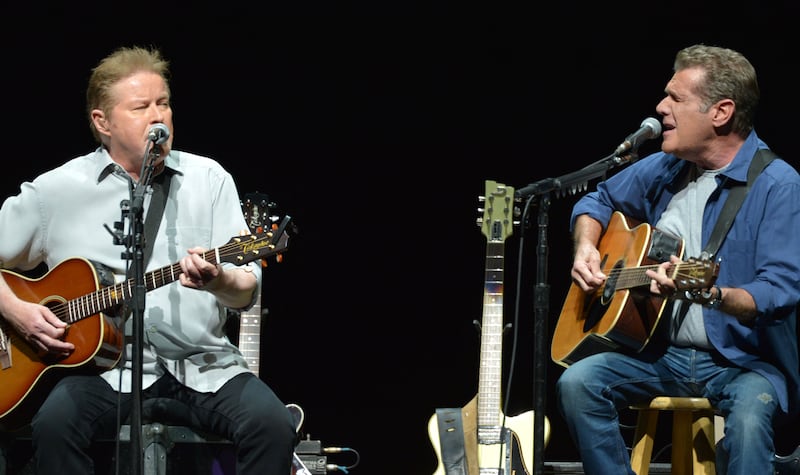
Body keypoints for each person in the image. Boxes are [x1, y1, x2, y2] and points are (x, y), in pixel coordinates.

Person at [0, 45, 297, 473]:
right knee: (54, 425)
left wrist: (217, 280)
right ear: (102, 122)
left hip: (203, 366)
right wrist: (15, 308)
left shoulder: (208, 179)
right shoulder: (57, 190)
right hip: (103, 375)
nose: (158, 116)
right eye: (141, 107)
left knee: (271, 425)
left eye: (164, 103)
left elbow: (245, 288)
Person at [555, 44, 800, 474]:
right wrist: (586, 247)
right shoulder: (666, 167)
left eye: (675, 98)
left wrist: (713, 293)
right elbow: (597, 199)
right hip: (659, 354)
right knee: (578, 383)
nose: (660, 107)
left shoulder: (778, 185)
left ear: (721, 112)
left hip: (742, 363)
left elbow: (778, 291)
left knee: (746, 418)